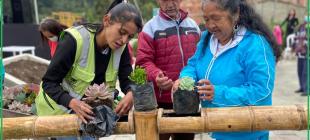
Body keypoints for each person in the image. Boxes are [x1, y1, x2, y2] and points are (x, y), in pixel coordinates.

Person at [172, 0, 281, 139]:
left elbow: (261, 90)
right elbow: (193, 65)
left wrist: (218, 93)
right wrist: (185, 80)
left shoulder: (254, 44)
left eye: (216, 18)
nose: (210, 25)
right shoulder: (207, 39)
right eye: (206, 19)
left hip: (247, 132)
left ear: (235, 15)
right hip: (218, 129)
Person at [35, 0, 142, 139]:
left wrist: (130, 93)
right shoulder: (74, 40)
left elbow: (127, 78)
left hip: (87, 115)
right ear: (106, 20)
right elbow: (49, 82)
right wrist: (72, 103)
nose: (123, 40)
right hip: (57, 112)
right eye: (122, 32)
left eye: (130, 37)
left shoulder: (121, 49)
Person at [136, 0, 200, 139]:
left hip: (188, 100)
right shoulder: (150, 28)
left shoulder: (193, 26)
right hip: (161, 102)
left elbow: (200, 59)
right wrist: (156, 75)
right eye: (165, 0)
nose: (170, 4)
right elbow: (143, 62)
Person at [293, 16, 308, 96]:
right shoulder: (301, 27)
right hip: (300, 53)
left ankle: (307, 89)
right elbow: (297, 37)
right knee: (300, 71)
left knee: (305, 73)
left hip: (307, 53)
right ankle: (302, 87)